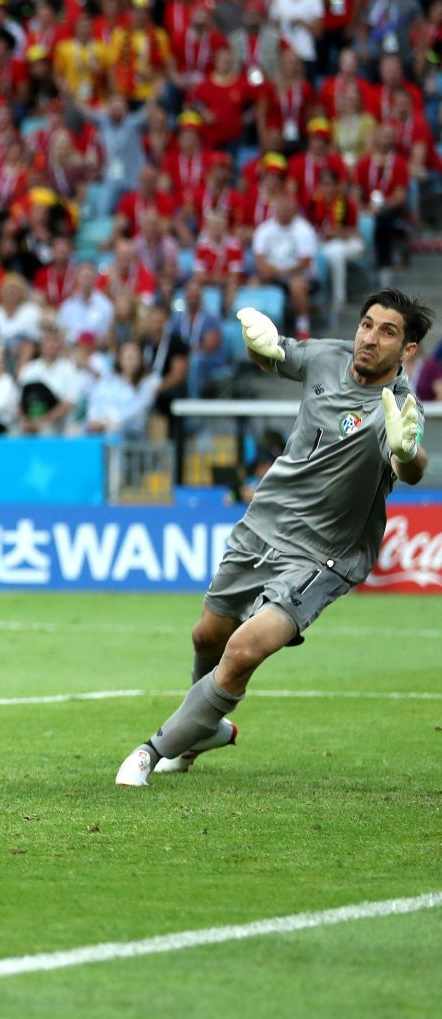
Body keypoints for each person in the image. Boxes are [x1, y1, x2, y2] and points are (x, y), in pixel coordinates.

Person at [116, 293, 431, 787]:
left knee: (243, 650)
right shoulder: (327, 357)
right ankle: (203, 730)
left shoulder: (400, 409)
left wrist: (407, 452)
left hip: (322, 556)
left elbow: (408, 465)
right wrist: (256, 343)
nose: (370, 338)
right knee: (207, 637)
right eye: (366, 324)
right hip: (264, 524)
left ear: (408, 349)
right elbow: (274, 356)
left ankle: (151, 751)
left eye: (387, 332)